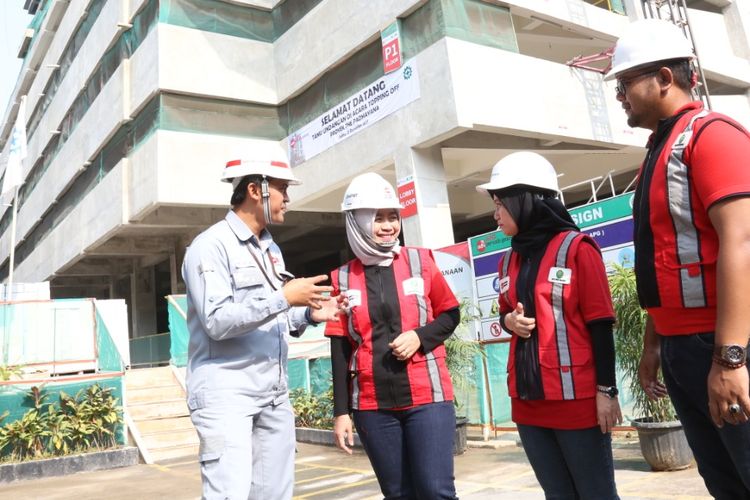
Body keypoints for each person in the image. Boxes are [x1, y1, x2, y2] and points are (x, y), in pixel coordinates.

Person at [605, 18, 750, 499]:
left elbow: (742, 241)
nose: (619, 95)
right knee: (723, 480)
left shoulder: (714, 136)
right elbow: (661, 260)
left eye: (625, 83)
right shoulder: (659, 150)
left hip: (723, 345)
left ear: (664, 78)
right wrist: (654, 343)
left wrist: (730, 359)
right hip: (682, 348)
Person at [181, 147, 341, 500]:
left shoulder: (269, 249)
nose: (288, 199)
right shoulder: (210, 247)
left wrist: (310, 313)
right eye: (283, 189)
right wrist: (284, 297)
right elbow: (217, 320)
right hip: (227, 393)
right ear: (257, 190)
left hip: (272, 393)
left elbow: (271, 317)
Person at [476, 152, 622, 500]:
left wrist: (607, 392)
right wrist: (509, 321)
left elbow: (601, 324)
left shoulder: (578, 249)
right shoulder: (508, 259)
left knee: (596, 494)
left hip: (577, 403)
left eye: (500, 203)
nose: (495, 214)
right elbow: (504, 313)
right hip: (528, 404)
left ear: (524, 201)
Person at [325, 172, 461, 500]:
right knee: (398, 494)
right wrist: (342, 413)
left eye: (393, 217)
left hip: (427, 398)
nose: (388, 226)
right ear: (357, 222)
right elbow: (340, 348)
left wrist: (420, 337)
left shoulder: (420, 260)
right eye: (378, 219)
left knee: (435, 491)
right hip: (372, 406)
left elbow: (451, 314)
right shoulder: (341, 277)